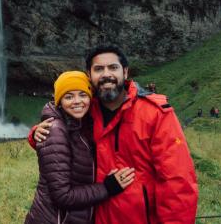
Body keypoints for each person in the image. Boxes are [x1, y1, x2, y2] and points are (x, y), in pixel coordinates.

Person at [29, 46, 198, 224]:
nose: (106, 74)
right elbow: (61, 130)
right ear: (89, 75)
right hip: (97, 216)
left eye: (113, 67)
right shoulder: (85, 108)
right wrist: (36, 133)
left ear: (125, 72)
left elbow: (178, 180)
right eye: (98, 69)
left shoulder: (154, 113)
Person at [25, 71, 135, 224]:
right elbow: (63, 196)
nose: (77, 101)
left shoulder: (84, 124)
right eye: (68, 97)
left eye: (83, 95)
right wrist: (107, 188)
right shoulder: (55, 130)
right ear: (59, 101)